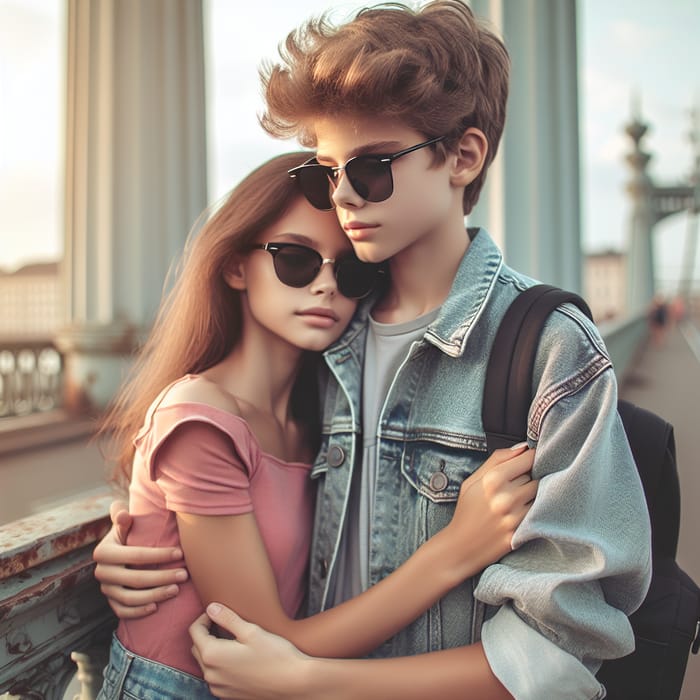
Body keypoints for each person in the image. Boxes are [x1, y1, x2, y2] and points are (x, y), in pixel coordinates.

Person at [95, 2, 652, 698]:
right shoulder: (323, 341)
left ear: (465, 156)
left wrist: (311, 683)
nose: (344, 195)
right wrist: (135, 544)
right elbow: (230, 467)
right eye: (327, 171)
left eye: (372, 167)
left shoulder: (546, 350)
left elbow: (558, 657)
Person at [92, 150, 538, 700]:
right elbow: (268, 643)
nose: (326, 285)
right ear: (236, 266)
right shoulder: (198, 418)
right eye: (296, 260)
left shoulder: (321, 420)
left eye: (349, 270)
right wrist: (456, 550)